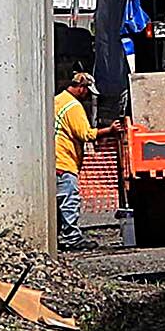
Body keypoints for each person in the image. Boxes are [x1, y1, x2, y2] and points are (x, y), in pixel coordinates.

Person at [51, 69, 102, 239]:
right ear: (81, 87)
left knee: (59, 202)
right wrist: (109, 130)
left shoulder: (56, 100)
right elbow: (85, 134)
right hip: (64, 161)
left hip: (54, 160)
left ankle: (60, 235)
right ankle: (71, 237)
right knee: (69, 201)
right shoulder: (73, 106)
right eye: (88, 91)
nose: (87, 96)